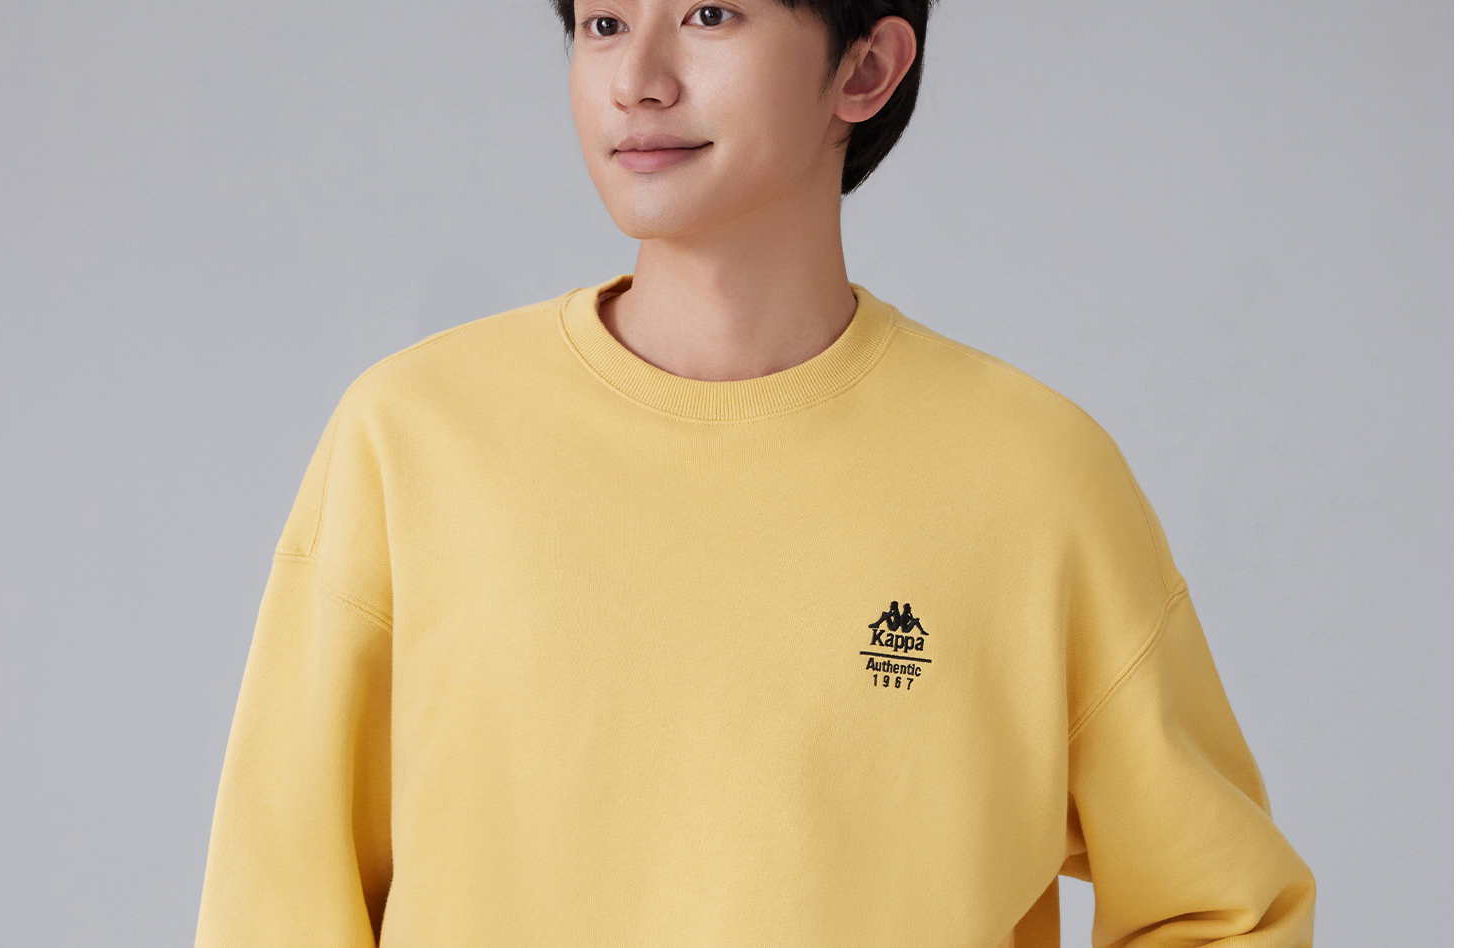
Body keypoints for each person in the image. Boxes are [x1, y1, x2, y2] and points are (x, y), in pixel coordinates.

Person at [194, 1, 1317, 945]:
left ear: (865, 69)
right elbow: (278, 907)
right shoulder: (413, 438)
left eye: (709, 14)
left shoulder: (1036, 478)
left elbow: (1223, 911)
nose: (637, 80)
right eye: (602, 24)